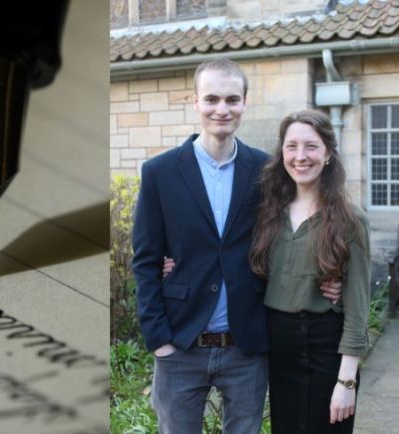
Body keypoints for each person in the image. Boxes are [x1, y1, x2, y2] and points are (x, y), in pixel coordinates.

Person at [132, 59, 341, 433]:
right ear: (195, 101)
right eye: (211, 98)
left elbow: (294, 230)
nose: (222, 109)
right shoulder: (159, 173)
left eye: (232, 99)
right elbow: (145, 261)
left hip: (245, 346)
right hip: (180, 344)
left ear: (245, 102)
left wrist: (329, 275)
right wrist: (158, 339)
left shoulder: (266, 171)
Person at [248, 109, 369, 433]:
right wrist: (170, 264)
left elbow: (358, 308)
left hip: (327, 349)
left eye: (311, 146)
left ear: (328, 153)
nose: (301, 156)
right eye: (292, 146)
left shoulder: (350, 221)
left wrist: (347, 381)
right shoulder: (266, 215)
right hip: (279, 350)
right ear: (282, 153)